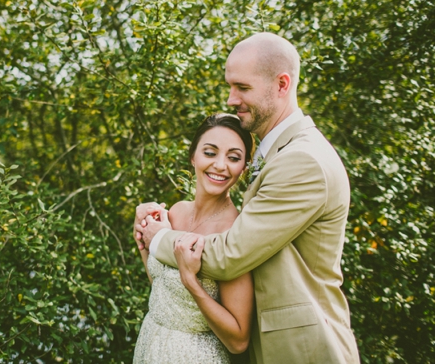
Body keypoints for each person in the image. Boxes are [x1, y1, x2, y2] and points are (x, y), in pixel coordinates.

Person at [135, 33, 360, 364]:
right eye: (230, 86)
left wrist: (161, 239)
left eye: (242, 87)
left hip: (302, 350)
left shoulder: (304, 160)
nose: (230, 98)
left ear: (282, 84)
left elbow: (231, 254)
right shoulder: (279, 153)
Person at [133, 113, 255, 363]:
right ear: (193, 156)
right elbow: (163, 290)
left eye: (233, 158)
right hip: (150, 345)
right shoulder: (177, 211)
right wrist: (144, 243)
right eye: (210, 152)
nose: (220, 165)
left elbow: (238, 341)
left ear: (243, 168)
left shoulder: (233, 234)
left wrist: (191, 281)